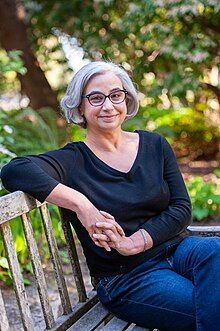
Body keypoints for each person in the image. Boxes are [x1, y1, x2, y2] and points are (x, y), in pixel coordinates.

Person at [1, 61, 220, 331]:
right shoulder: (73, 160)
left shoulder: (154, 145)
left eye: (116, 95)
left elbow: (181, 208)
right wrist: (82, 204)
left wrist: (135, 242)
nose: (108, 105)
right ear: (79, 107)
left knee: (216, 250)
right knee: (208, 309)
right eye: (95, 98)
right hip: (128, 277)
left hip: (179, 250)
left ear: (126, 99)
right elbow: (14, 170)